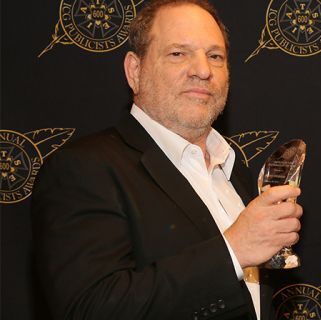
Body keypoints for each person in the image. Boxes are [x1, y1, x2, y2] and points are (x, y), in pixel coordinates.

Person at [31, 0, 302, 319]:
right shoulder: (83, 170)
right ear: (135, 70)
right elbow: (90, 308)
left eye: (215, 56)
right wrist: (232, 252)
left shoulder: (233, 172)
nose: (203, 70)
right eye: (178, 53)